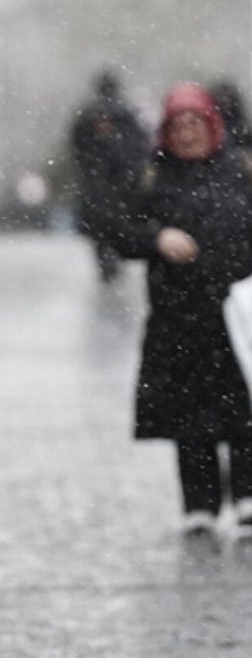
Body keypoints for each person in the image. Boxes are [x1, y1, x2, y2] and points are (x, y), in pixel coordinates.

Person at [105, 82, 252, 539]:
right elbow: (120, 228)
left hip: (238, 314)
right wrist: (157, 238)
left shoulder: (241, 171)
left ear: (212, 125)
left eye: (195, 124)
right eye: (178, 126)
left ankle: (248, 495)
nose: (188, 134)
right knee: (190, 415)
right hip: (178, 318)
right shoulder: (152, 177)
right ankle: (199, 503)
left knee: (244, 404)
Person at [69, 70, 150, 283]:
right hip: (121, 182)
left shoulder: (88, 114)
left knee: (99, 226)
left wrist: (86, 168)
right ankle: (114, 255)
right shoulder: (126, 113)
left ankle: (105, 259)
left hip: (97, 181)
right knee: (118, 221)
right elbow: (140, 144)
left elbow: (76, 146)